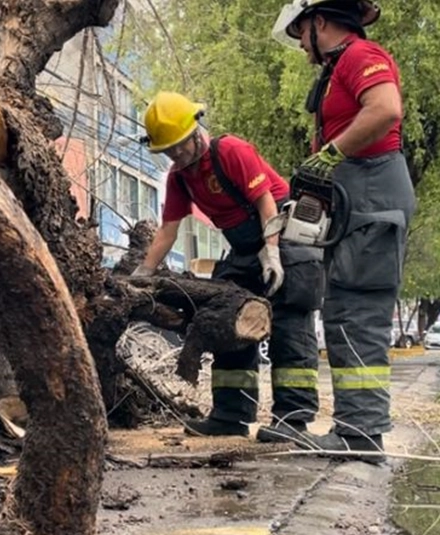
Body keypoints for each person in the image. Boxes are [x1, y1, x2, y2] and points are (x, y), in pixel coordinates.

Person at [134, 91, 324, 442]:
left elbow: (266, 201)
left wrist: (273, 253)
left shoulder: (231, 151)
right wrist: (142, 275)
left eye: (179, 146)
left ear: (195, 130)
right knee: (227, 318)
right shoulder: (180, 178)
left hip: (282, 235)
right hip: (241, 247)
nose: (176, 155)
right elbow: (167, 231)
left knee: (288, 326)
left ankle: (293, 420)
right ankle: (230, 414)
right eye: (168, 150)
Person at [271, 0, 416, 461]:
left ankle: (361, 434)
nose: (301, 47)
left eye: (300, 35)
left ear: (318, 21)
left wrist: (331, 154)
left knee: (358, 314)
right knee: (343, 312)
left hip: (373, 189)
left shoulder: (359, 57)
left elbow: (386, 109)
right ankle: (357, 428)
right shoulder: (339, 68)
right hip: (358, 194)